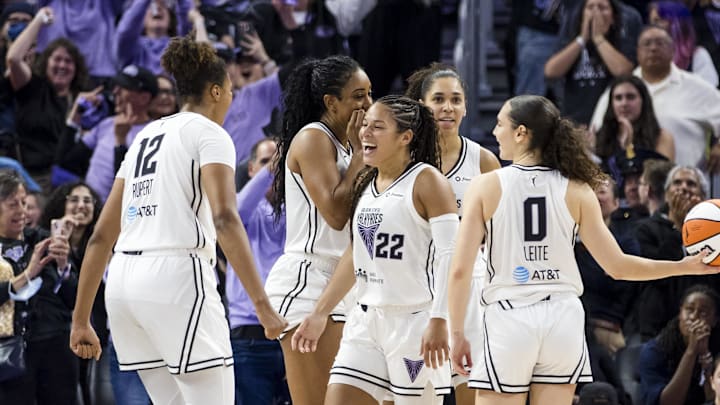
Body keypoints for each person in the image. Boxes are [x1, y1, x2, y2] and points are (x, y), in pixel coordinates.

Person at [447, 95, 717, 405]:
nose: (495, 133)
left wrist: (456, 333)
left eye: (499, 125)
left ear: (521, 133)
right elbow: (618, 266)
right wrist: (685, 265)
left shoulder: (485, 186)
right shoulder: (577, 189)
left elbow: (460, 270)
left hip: (510, 315)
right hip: (563, 318)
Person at [68, 35, 287, 405]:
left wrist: (80, 319)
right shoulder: (210, 134)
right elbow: (224, 219)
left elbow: (101, 237)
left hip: (123, 285)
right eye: (231, 91)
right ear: (216, 91)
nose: (232, 98)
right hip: (176, 278)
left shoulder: (143, 137)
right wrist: (263, 307)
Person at [291, 95, 455, 404]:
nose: (365, 133)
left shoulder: (427, 181)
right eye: (365, 125)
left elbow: (451, 256)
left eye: (377, 127)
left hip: (414, 324)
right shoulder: (366, 183)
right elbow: (356, 255)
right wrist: (319, 312)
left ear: (405, 137)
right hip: (366, 321)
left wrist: (440, 319)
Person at [264, 54, 372, 405]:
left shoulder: (346, 143)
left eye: (369, 93)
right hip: (309, 282)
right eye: (358, 95)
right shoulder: (314, 138)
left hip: (346, 283)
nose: (368, 103)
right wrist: (359, 154)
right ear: (331, 102)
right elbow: (335, 214)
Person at [405, 62, 501, 404]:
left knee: (470, 390)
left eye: (456, 100)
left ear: (466, 107)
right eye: (439, 99)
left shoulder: (484, 161)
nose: (448, 107)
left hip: (468, 287)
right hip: (414, 287)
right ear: (421, 105)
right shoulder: (401, 159)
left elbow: (499, 237)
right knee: (416, 392)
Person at [589, 26, 720, 172]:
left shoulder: (696, 87)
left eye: (660, 43)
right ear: (637, 52)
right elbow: (598, 134)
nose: (653, 48)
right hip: (624, 186)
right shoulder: (621, 90)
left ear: (673, 50)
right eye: (647, 44)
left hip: (688, 185)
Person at [0, 170, 75, 405]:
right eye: (13, 204)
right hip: (9, 352)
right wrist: (27, 274)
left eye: (24, 202)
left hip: (55, 343)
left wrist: (64, 265)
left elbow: (72, 298)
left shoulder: (41, 239)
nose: (22, 211)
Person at [227, 138, 291, 405]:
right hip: (249, 338)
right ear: (251, 169)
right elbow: (237, 210)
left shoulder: (299, 210)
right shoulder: (243, 212)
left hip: (295, 334)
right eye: (265, 163)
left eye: (279, 163)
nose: (274, 169)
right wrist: (272, 168)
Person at [6, 6, 89, 191]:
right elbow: (13, 58)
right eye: (57, 59)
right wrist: (38, 20)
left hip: (66, 181)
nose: (62, 65)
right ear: (46, 62)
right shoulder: (32, 87)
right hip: (28, 178)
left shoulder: (80, 98)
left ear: (76, 68)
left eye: (68, 61)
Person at [38, 182, 106, 405]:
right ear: (61, 204)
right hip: (58, 337)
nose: (82, 205)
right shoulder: (44, 244)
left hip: (97, 333)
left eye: (88, 201)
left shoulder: (104, 245)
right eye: (74, 199)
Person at [544, 0, 639, 125]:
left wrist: (598, 38)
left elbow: (623, 72)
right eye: (590, 7)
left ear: (613, 17)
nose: (595, 12)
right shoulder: (573, 38)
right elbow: (551, 71)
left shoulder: (621, 38)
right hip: (576, 121)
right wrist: (582, 39)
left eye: (602, 7)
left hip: (611, 122)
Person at [638, 284, 720, 405]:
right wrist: (691, 352)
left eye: (703, 313)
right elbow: (666, 403)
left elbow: (713, 400)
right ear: (680, 313)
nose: (693, 317)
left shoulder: (717, 347)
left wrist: (706, 366)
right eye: (689, 309)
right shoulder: (654, 351)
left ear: (715, 320)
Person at [649, 1, 719, 87]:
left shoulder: (698, 56)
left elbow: (708, 93)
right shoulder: (649, 56)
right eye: (651, 22)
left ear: (676, 23)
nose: (653, 27)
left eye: (658, 21)